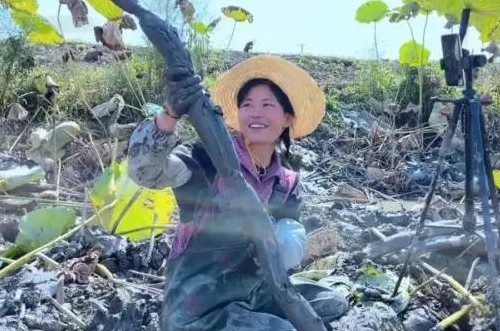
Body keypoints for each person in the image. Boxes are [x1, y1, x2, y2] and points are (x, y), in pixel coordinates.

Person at [127, 54, 349, 331]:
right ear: (238, 114)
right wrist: (169, 115)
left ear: (286, 118)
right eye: (247, 105)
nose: (256, 112)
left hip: (256, 291)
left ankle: (256, 316)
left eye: (267, 105)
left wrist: (285, 244)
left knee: (332, 301)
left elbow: (290, 237)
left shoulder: (286, 182)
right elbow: (146, 172)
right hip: (199, 304)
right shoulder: (205, 159)